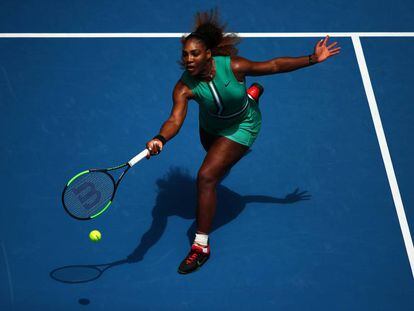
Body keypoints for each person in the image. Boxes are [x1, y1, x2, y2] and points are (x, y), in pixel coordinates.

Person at [145, 9, 341, 274]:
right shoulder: (184, 87)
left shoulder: (233, 66)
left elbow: (272, 66)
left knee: (206, 177)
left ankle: (201, 246)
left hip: (241, 125)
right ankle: (249, 96)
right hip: (211, 127)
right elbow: (174, 120)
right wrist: (160, 138)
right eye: (185, 54)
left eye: (195, 54)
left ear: (208, 54)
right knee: (218, 168)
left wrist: (313, 59)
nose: (189, 60)